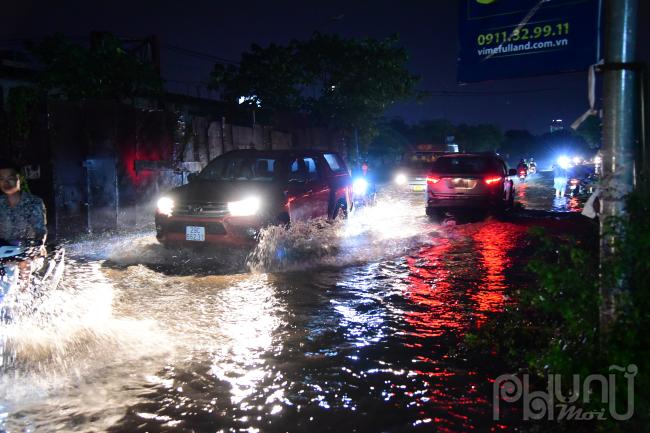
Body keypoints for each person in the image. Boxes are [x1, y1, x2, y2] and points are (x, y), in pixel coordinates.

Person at [0, 159, 47, 246]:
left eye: (10, 178)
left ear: (19, 178)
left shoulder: (34, 202)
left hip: (27, 252)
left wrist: (39, 246)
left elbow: (40, 231)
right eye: (1, 179)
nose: (5, 182)